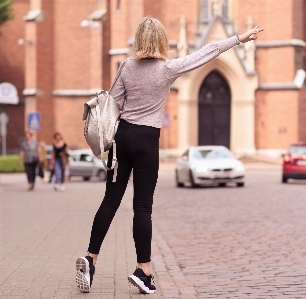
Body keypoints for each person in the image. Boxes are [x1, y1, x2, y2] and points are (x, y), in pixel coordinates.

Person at [75, 16, 263, 294]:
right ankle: (143, 272)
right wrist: (239, 39)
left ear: (138, 39)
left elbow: (112, 103)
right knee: (142, 207)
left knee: (110, 200)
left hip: (122, 136)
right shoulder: (168, 69)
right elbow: (205, 52)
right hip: (147, 139)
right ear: (162, 40)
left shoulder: (126, 66)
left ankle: (90, 260)